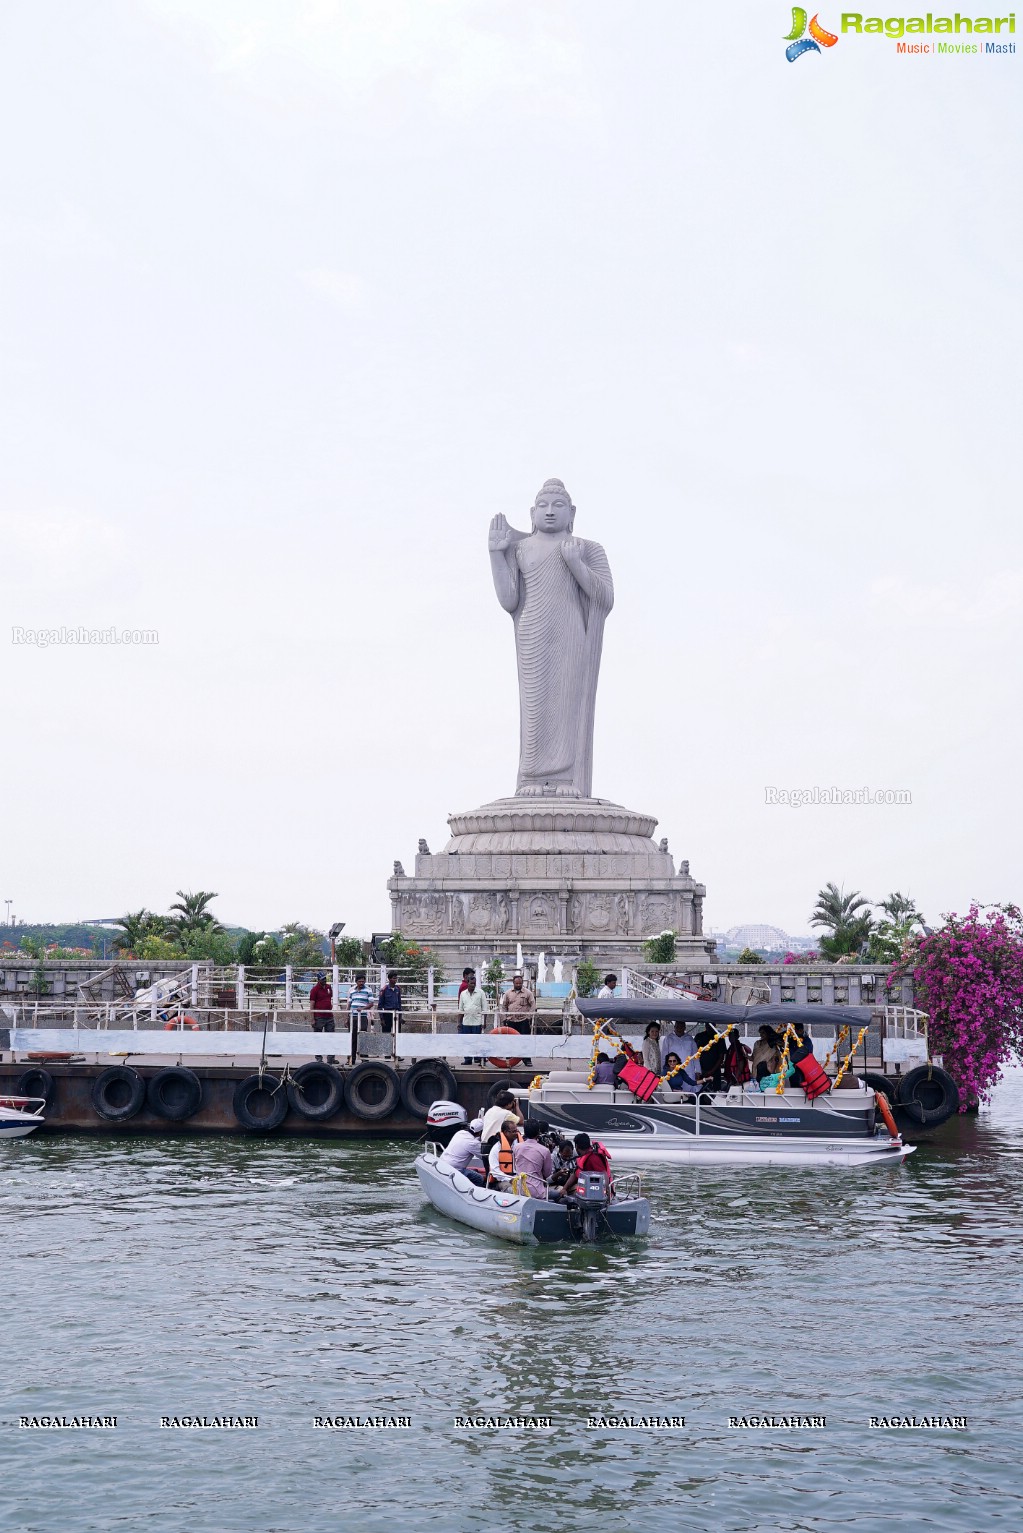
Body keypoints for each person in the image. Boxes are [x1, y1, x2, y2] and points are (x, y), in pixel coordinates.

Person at [434, 1106, 487, 1187]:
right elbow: (484, 1156)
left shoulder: (460, 1133)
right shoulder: (473, 1143)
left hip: (443, 1164)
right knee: (479, 1179)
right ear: (480, 1132)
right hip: (455, 1170)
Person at [499, 971, 535, 1066]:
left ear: (522, 983)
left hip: (523, 1021)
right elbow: (504, 1006)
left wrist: (529, 1017)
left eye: (520, 983)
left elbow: (533, 1005)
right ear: (513, 983)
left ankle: (527, 1059)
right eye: (516, 983)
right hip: (511, 1021)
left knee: (525, 1040)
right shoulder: (507, 993)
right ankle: (510, 1058)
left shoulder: (528, 993)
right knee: (510, 1040)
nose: (518, 985)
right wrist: (504, 1018)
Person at [512, 1119, 553, 1198]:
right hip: (537, 1192)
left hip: (518, 1189)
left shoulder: (516, 1147)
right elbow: (547, 1174)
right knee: (557, 1194)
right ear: (538, 1132)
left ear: (525, 1131)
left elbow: (515, 1167)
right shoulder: (545, 1150)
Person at [479, 1091, 523, 1159]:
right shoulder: (506, 1113)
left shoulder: (490, 1111)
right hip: (496, 1145)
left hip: (484, 1146)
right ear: (509, 1104)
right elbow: (521, 1121)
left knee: (489, 1169)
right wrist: (517, 1106)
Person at [457, 972, 487, 1063]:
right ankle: (468, 1059)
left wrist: (484, 1022)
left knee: (477, 1041)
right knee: (467, 1042)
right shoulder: (463, 994)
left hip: (477, 1022)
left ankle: (477, 1058)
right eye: (471, 983)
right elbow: (461, 1010)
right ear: (467, 982)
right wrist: (459, 1022)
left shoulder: (481, 993)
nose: (473, 985)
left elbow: (484, 1009)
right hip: (466, 1022)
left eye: (474, 983)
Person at [309, 973, 336, 1064]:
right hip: (319, 1016)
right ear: (318, 980)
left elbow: (329, 998)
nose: (324, 980)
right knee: (318, 1037)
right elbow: (312, 1004)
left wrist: (329, 1005)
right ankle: (318, 1057)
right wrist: (312, 1018)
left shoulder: (328, 987)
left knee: (331, 1037)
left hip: (329, 1016)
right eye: (322, 979)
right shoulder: (314, 990)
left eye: (325, 978)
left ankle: (331, 1057)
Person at [487, 1116, 522, 1188]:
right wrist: (510, 1179)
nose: (516, 1133)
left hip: (518, 1178)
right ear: (505, 1132)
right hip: (501, 1181)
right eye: (513, 1131)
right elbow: (495, 1172)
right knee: (511, 1189)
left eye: (517, 1131)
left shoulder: (519, 1145)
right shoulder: (496, 1149)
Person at [377, 970, 402, 1035]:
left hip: (396, 1013)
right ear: (389, 979)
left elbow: (399, 1003)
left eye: (396, 978)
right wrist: (382, 1019)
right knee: (386, 1034)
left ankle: (396, 1045)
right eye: (394, 978)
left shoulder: (398, 989)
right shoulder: (384, 990)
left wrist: (400, 1016)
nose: (395, 980)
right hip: (387, 1013)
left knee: (397, 1034)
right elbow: (380, 1005)